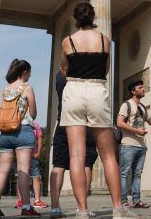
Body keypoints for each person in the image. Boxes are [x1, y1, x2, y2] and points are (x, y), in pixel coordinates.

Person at [60, 2, 138, 219]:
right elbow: (106, 69)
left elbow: (65, 69)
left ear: (75, 18)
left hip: (74, 90)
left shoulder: (67, 41)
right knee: (108, 155)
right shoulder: (105, 40)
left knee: (76, 155)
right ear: (93, 16)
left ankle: (82, 210)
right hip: (96, 90)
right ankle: (118, 208)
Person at [0, 59, 41, 217]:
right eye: (29, 72)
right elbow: (33, 112)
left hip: (5, 133)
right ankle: (26, 207)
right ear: (24, 71)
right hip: (23, 131)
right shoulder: (26, 87)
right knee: (23, 170)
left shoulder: (6, 89)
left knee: (2, 170)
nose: (30, 75)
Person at [49, 70, 100, 218]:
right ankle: (82, 208)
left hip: (63, 121)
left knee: (58, 165)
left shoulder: (60, 75)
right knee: (86, 164)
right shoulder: (86, 72)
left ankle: (54, 207)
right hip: (84, 124)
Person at [117, 80, 151, 209]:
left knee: (137, 174)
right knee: (124, 173)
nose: (143, 89)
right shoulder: (126, 105)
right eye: (140, 87)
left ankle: (137, 201)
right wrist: (137, 131)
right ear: (133, 91)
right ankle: (123, 201)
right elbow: (120, 123)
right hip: (128, 145)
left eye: (143, 87)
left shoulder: (142, 107)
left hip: (141, 146)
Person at [16, 121, 48, 209]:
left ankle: (37, 200)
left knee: (36, 176)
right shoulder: (17, 121)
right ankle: (20, 200)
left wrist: (38, 152)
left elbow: (40, 137)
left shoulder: (35, 124)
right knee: (21, 176)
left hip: (32, 154)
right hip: (21, 153)